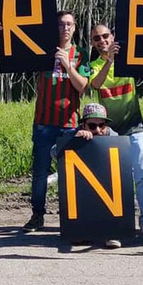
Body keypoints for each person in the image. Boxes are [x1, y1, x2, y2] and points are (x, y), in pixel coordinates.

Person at [16, 10, 88, 232]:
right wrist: (0, 32)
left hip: (70, 123)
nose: (65, 28)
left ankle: (72, 216)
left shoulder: (81, 54)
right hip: (44, 122)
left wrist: (68, 66)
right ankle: (37, 215)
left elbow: (83, 87)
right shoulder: (42, 52)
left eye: (69, 24)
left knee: (70, 173)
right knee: (40, 172)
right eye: (60, 24)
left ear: (75, 28)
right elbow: (14, 55)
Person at [87, 24, 143, 238]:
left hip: (134, 125)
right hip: (109, 130)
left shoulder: (129, 58)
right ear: (93, 43)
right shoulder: (93, 65)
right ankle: (121, 221)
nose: (102, 41)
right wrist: (109, 60)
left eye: (105, 36)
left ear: (113, 36)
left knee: (142, 175)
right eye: (97, 38)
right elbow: (97, 85)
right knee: (117, 179)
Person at [49, 103, 132, 249]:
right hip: (82, 185)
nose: (98, 130)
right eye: (92, 126)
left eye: (102, 125)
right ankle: (80, 231)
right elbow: (54, 153)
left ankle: (112, 232)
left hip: (107, 185)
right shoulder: (73, 134)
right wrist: (74, 141)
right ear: (83, 125)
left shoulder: (113, 136)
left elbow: (123, 164)